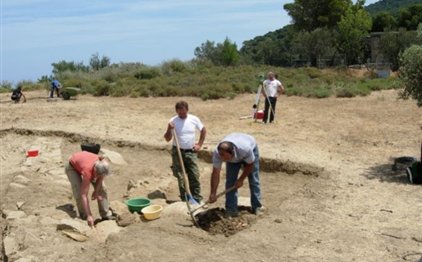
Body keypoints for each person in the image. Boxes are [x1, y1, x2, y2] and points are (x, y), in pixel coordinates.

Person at [208, 132, 263, 217]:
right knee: (230, 182)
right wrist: (213, 193)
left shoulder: (245, 149)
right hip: (234, 155)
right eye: (221, 157)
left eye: (226, 158)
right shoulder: (217, 153)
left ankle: (257, 206)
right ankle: (231, 209)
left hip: (249, 150)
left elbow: (250, 165)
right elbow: (215, 173)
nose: (223, 159)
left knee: (253, 180)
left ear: (232, 152)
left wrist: (241, 179)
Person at [164, 101, 206, 204]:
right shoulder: (173, 121)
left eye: (183, 112)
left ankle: (197, 199)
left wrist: (199, 144)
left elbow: (203, 130)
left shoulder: (193, 119)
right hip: (177, 152)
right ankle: (185, 199)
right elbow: (167, 139)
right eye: (180, 113)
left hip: (191, 152)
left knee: (194, 175)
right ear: (176, 111)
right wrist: (169, 129)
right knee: (181, 177)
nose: (182, 115)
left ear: (187, 110)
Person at [65, 151, 115, 226]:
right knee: (78, 192)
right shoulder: (87, 171)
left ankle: (105, 215)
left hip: (84, 163)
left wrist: (96, 191)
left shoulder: (102, 165)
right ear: (95, 170)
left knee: (103, 188)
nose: (97, 177)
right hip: (72, 167)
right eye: (97, 175)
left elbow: (101, 178)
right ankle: (85, 217)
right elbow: (83, 195)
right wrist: (89, 215)